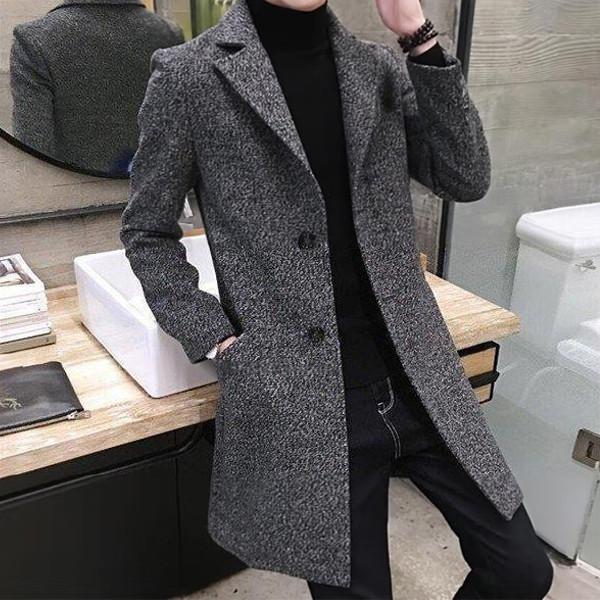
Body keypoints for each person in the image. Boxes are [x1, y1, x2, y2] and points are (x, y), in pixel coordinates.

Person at [120, 0, 554, 597]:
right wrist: (216, 338)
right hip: (307, 396)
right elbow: (147, 230)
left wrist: (418, 36)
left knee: (522, 569)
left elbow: (464, 176)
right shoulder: (190, 74)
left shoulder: (378, 66)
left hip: (417, 376)